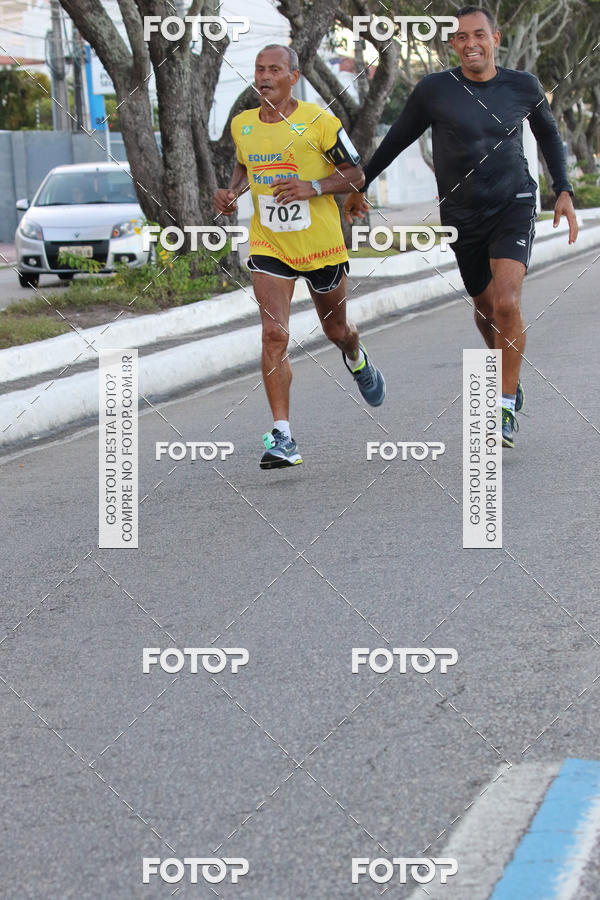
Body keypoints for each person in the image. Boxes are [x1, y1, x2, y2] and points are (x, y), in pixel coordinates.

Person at [344, 5, 578, 448]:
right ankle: (506, 371)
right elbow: (397, 139)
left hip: (513, 204)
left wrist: (563, 189)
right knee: (486, 309)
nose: (470, 43)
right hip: (462, 215)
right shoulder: (434, 90)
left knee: (507, 302)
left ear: (495, 38)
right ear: (452, 44)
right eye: (461, 37)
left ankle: (504, 405)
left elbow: (549, 135)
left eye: (478, 35)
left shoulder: (523, 86)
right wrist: (363, 183)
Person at [214, 44, 385, 470]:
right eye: (260, 69)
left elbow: (356, 173)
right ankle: (283, 436)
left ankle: (356, 356)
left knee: (336, 330)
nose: (265, 76)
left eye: (275, 69)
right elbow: (244, 166)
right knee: (274, 335)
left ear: (294, 76)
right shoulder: (242, 124)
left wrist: (312, 187)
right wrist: (231, 192)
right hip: (270, 245)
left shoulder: (319, 121)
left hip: (321, 245)